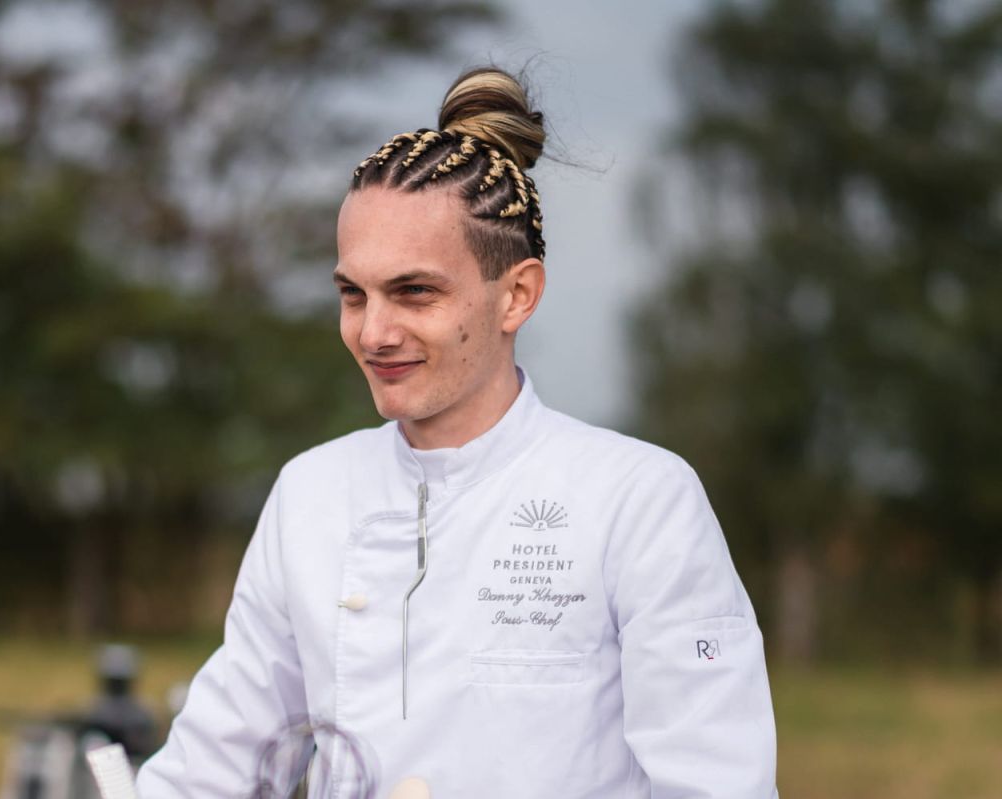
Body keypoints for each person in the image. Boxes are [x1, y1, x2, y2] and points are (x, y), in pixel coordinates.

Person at [136, 67, 779, 798]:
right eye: (353, 294)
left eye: (414, 291)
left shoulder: (639, 500)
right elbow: (212, 771)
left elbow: (715, 783)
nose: (374, 332)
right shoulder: (310, 493)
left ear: (517, 295)